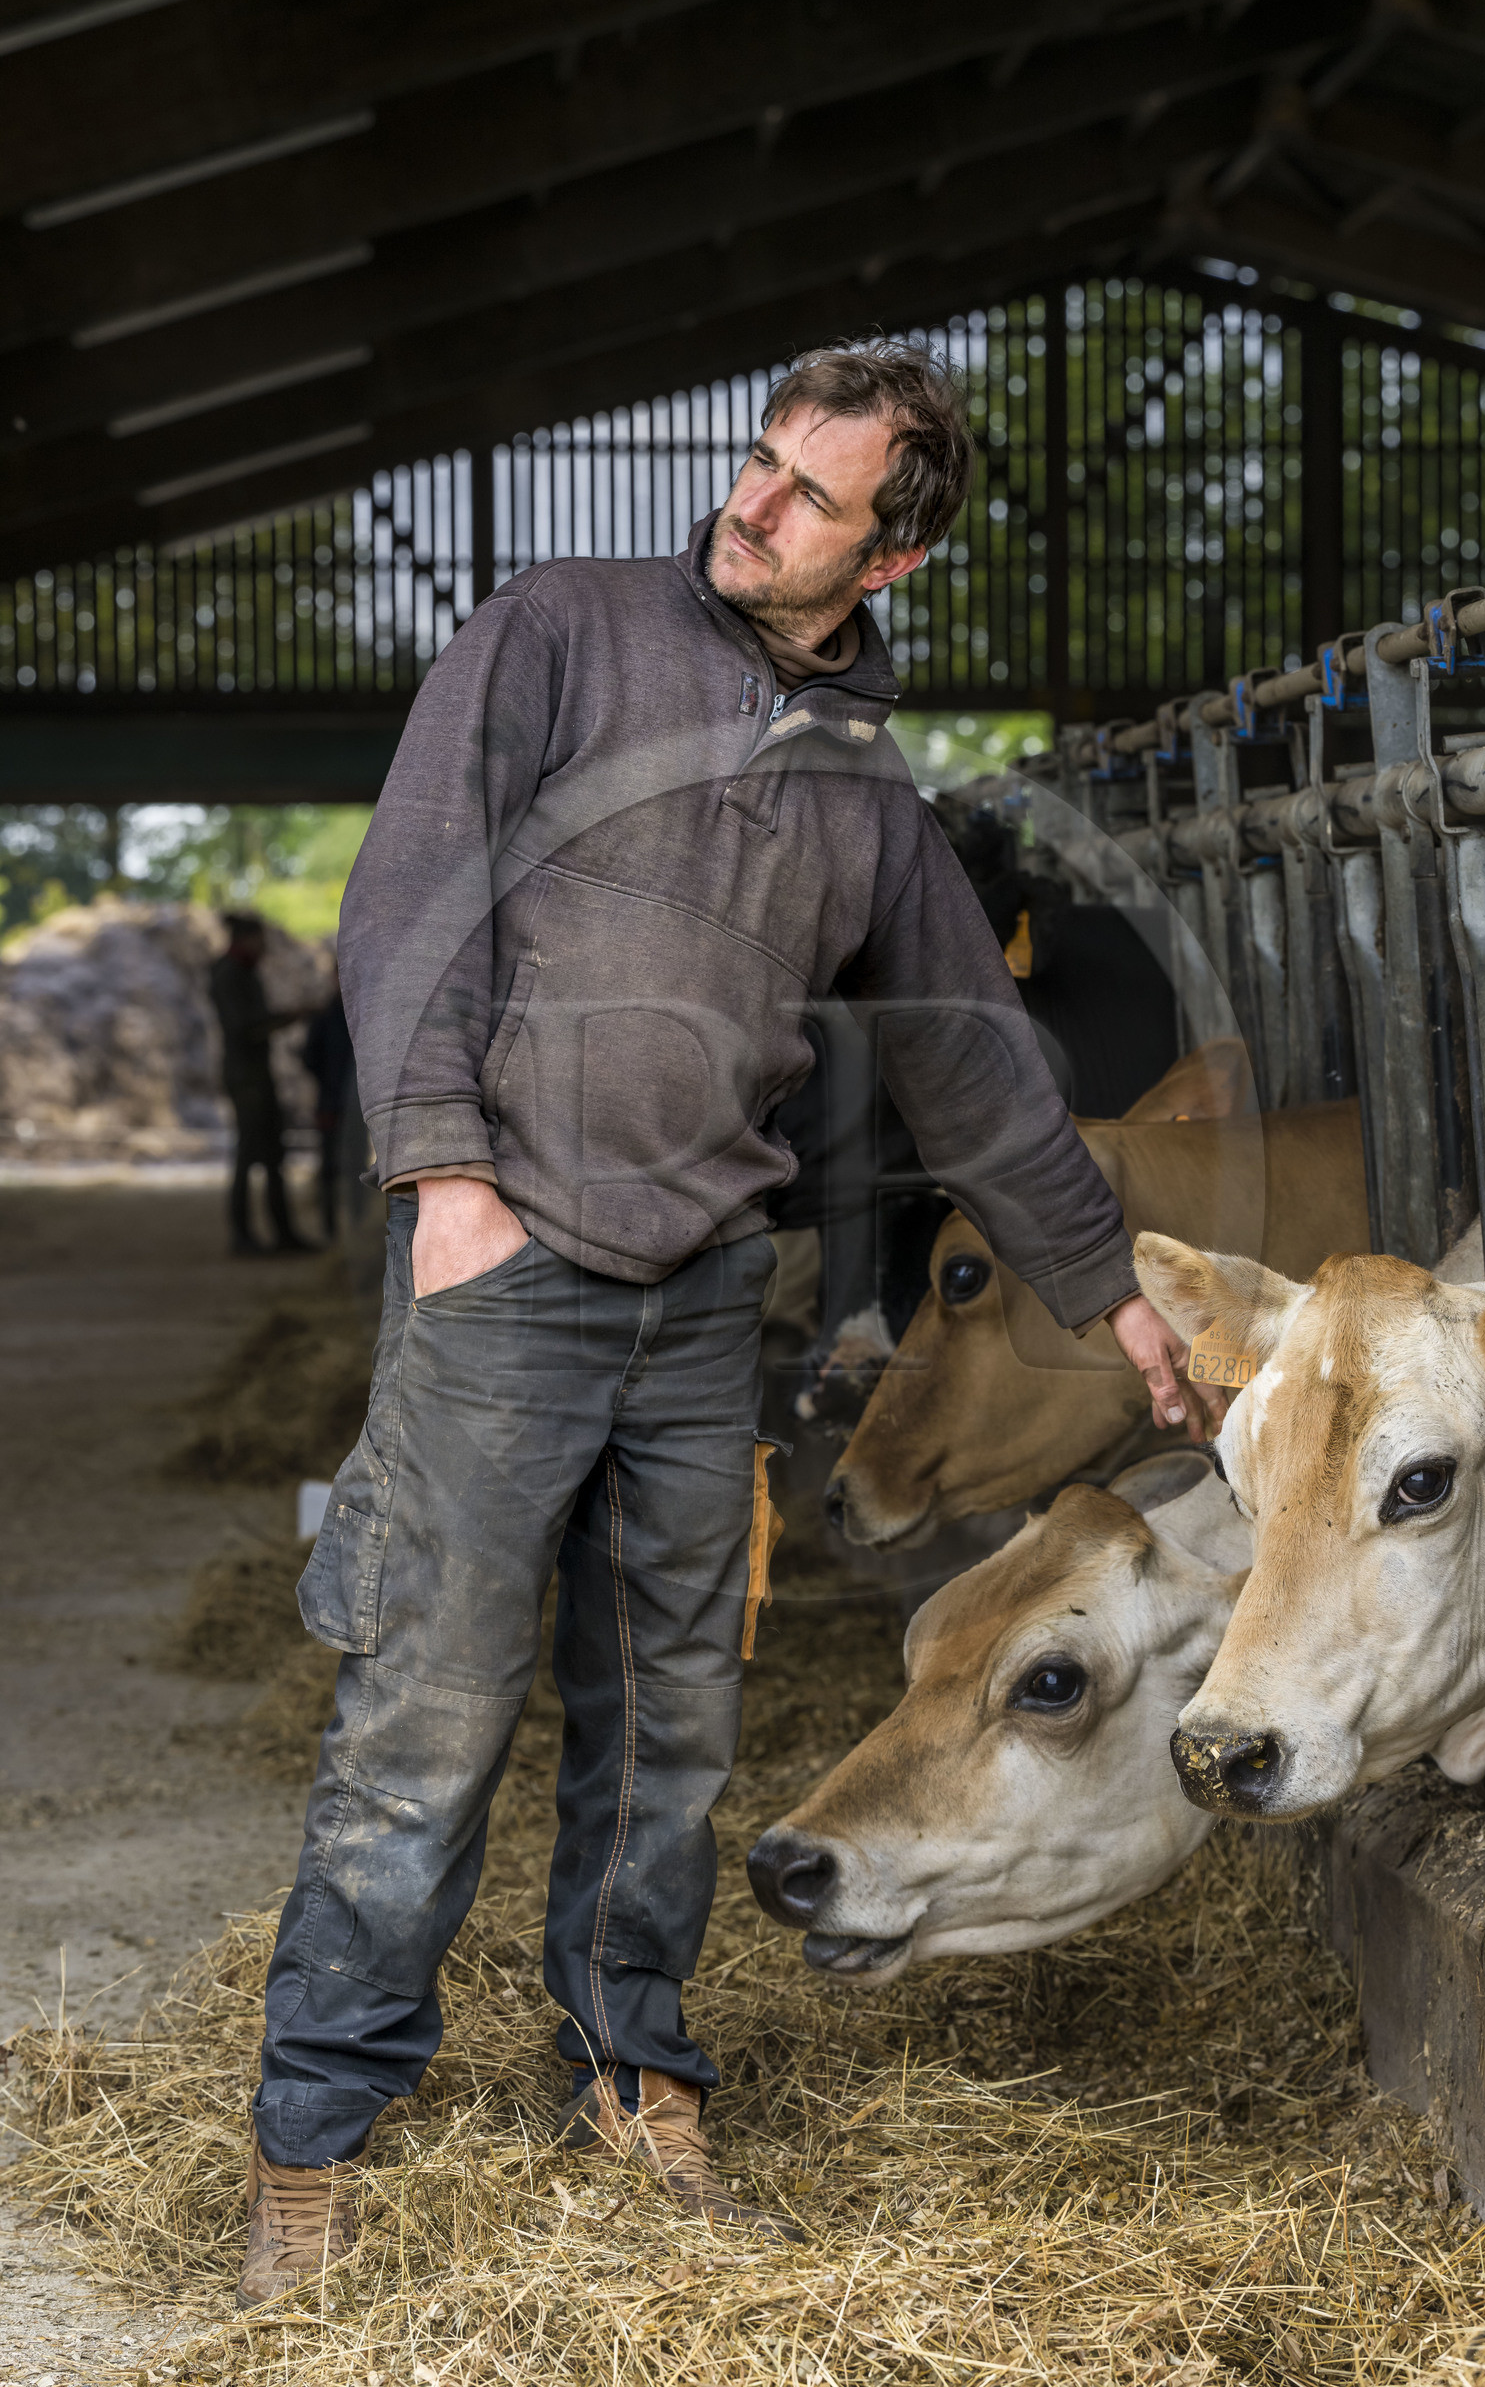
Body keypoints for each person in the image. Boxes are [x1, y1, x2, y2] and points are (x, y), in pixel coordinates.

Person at [238, 340, 1224, 2309]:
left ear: (893, 561)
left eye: (808, 492)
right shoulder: (556, 634)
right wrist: (443, 1175)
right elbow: (409, 898)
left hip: (697, 1304)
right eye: (759, 461)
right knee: (426, 1719)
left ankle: (629, 2065)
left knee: (667, 1725)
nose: (752, 504)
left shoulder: (862, 786)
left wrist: (1108, 1297)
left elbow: (974, 1069)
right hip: (503, 1270)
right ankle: (316, 2132)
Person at [209, 914, 315, 1257]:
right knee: (250, 1156)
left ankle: (280, 1233)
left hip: (252, 1074)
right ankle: (244, 1236)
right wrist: (285, 1017)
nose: (264, 945)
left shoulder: (240, 971)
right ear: (245, 938)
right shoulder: (231, 974)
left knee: (270, 1155)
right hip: (247, 1077)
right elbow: (243, 1028)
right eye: (259, 937)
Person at [300, 960, 356, 1242]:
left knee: (358, 1169)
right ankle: (330, 1230)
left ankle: (356, 1228)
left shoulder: (361, 1016)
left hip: (357, 1107)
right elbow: (309, 1058)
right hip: (332, 1103)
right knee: (330, 1169)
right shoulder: (326, 1017)